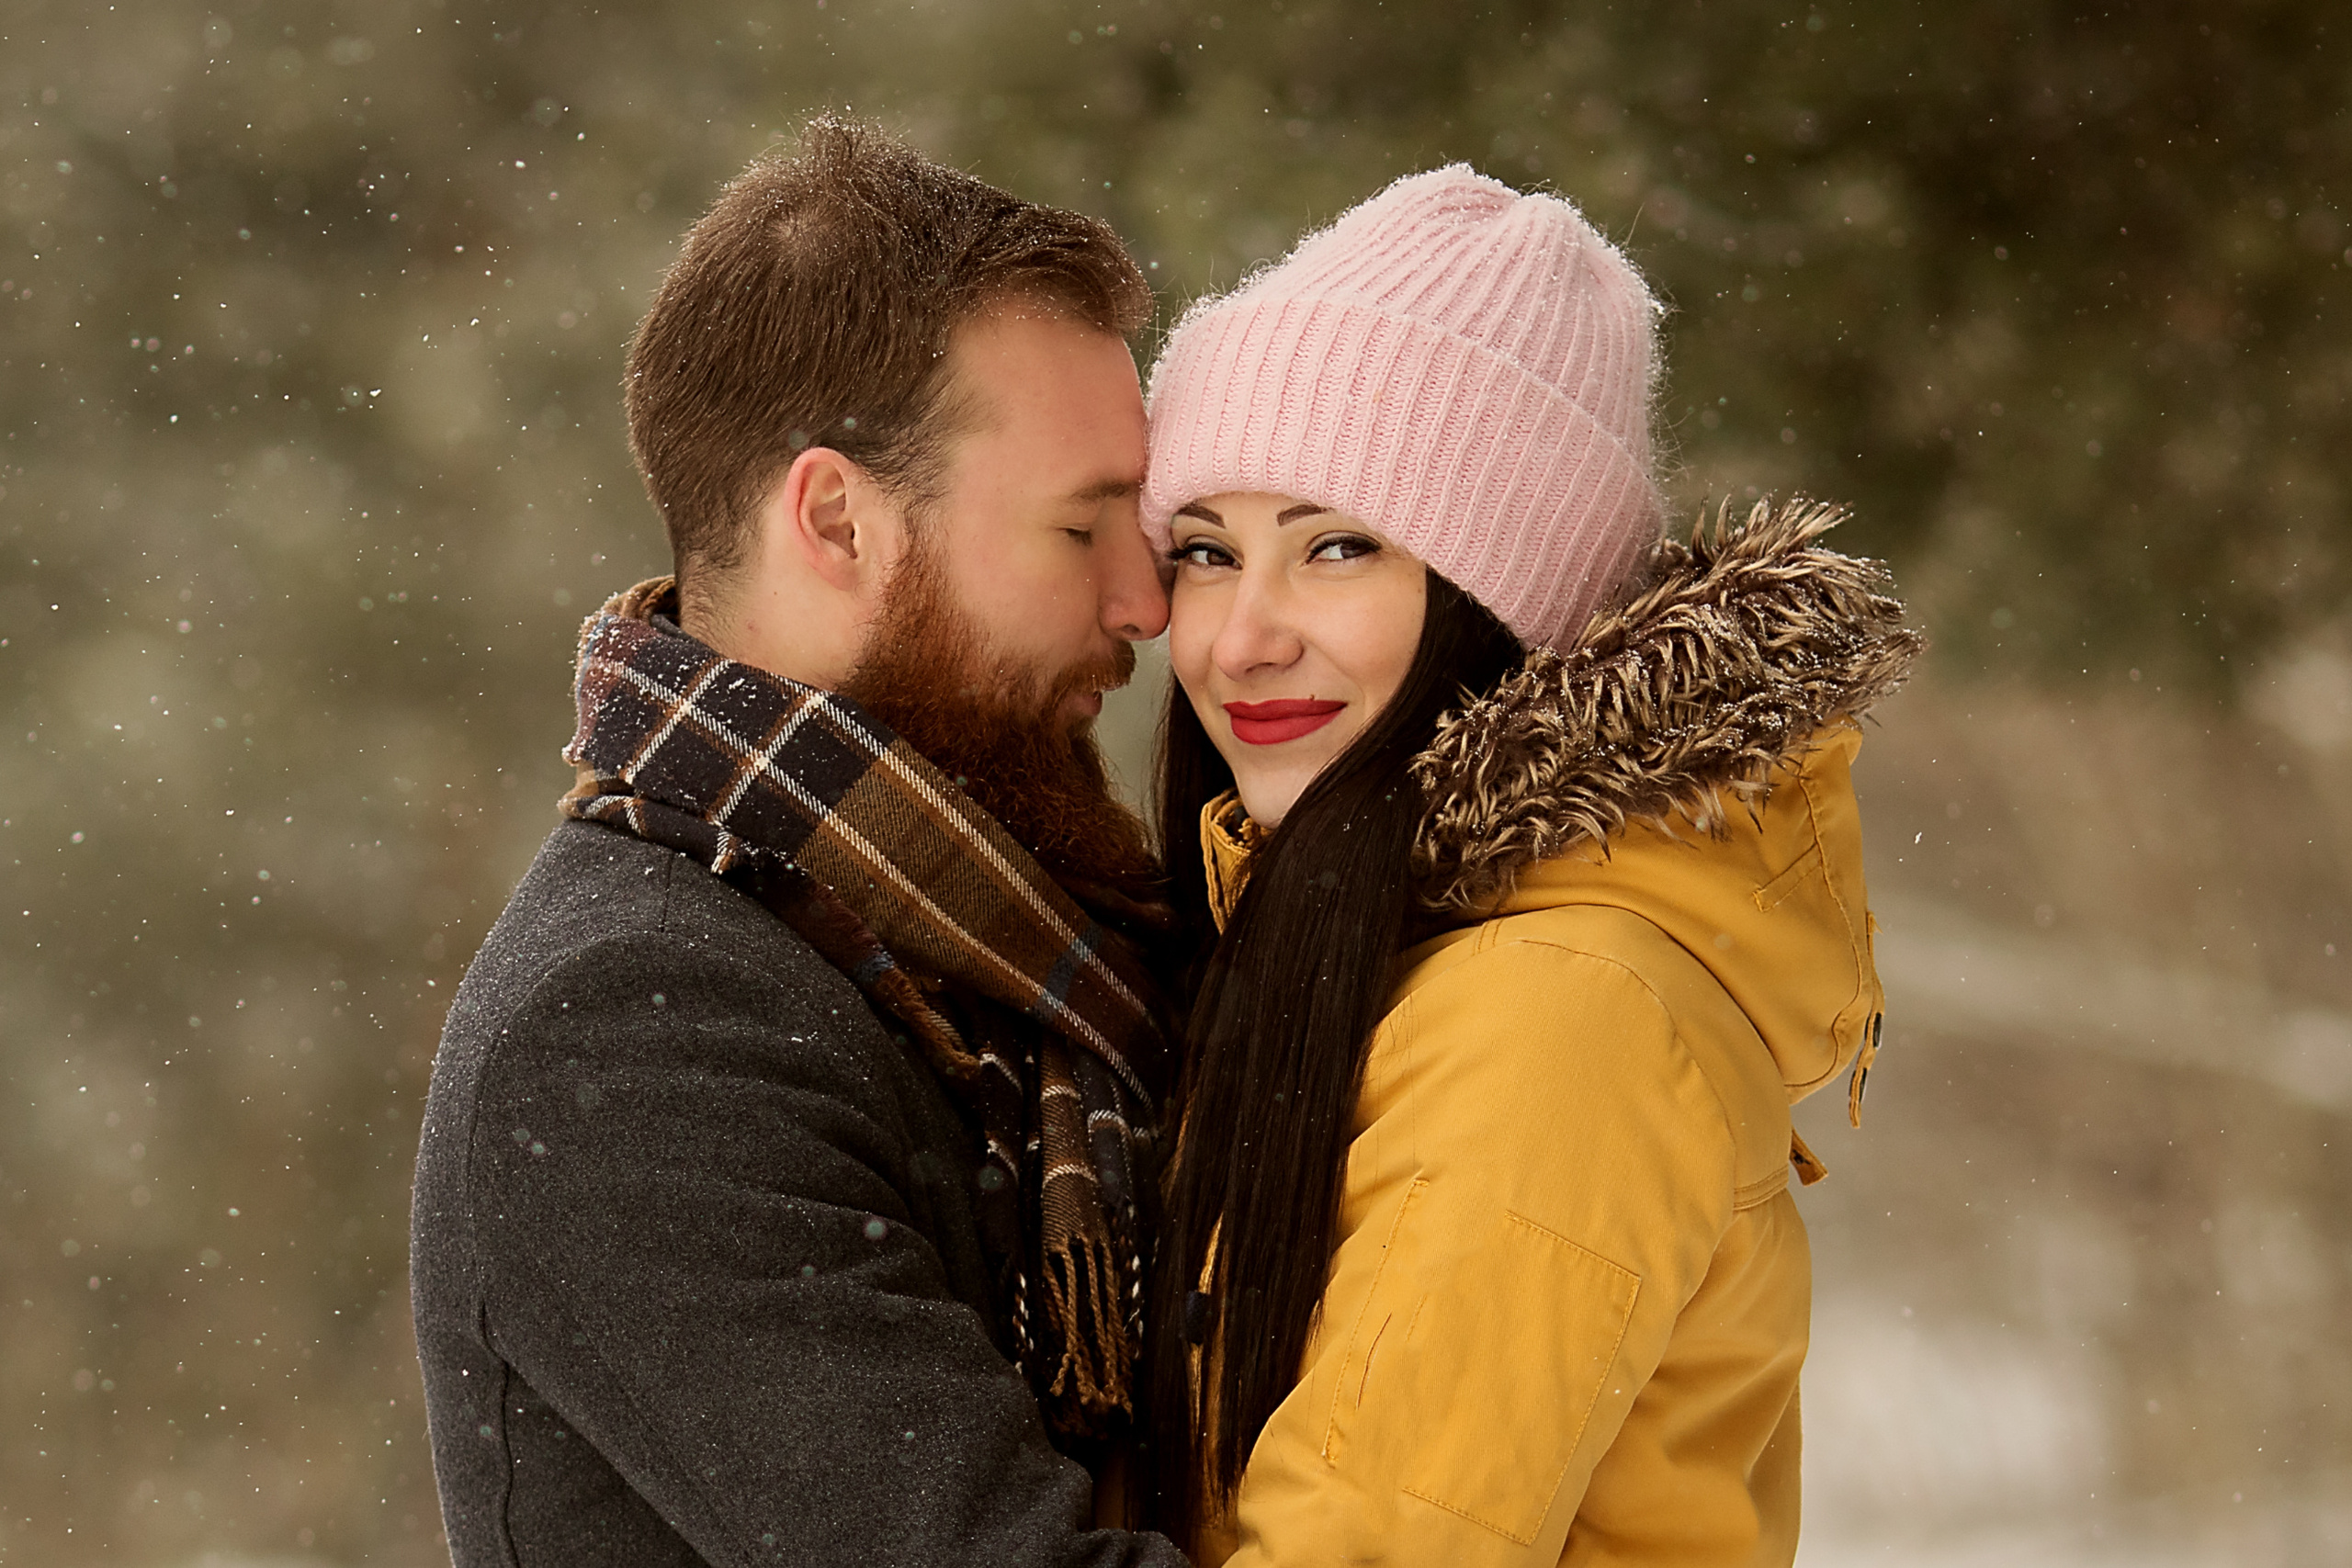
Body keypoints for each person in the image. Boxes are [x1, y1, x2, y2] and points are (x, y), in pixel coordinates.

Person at [409, 118, 1188, 1566]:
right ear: (838, 518)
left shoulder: (1001, 947)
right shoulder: (632, 1039)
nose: (1147, 602)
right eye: (1085, 531)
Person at [1137, 167, 1925, 1565]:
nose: (1241, 636)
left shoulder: (1554, 1015)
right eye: (1206, 551)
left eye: (1337, 547)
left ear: (1502, 604)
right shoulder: (1378, 950)